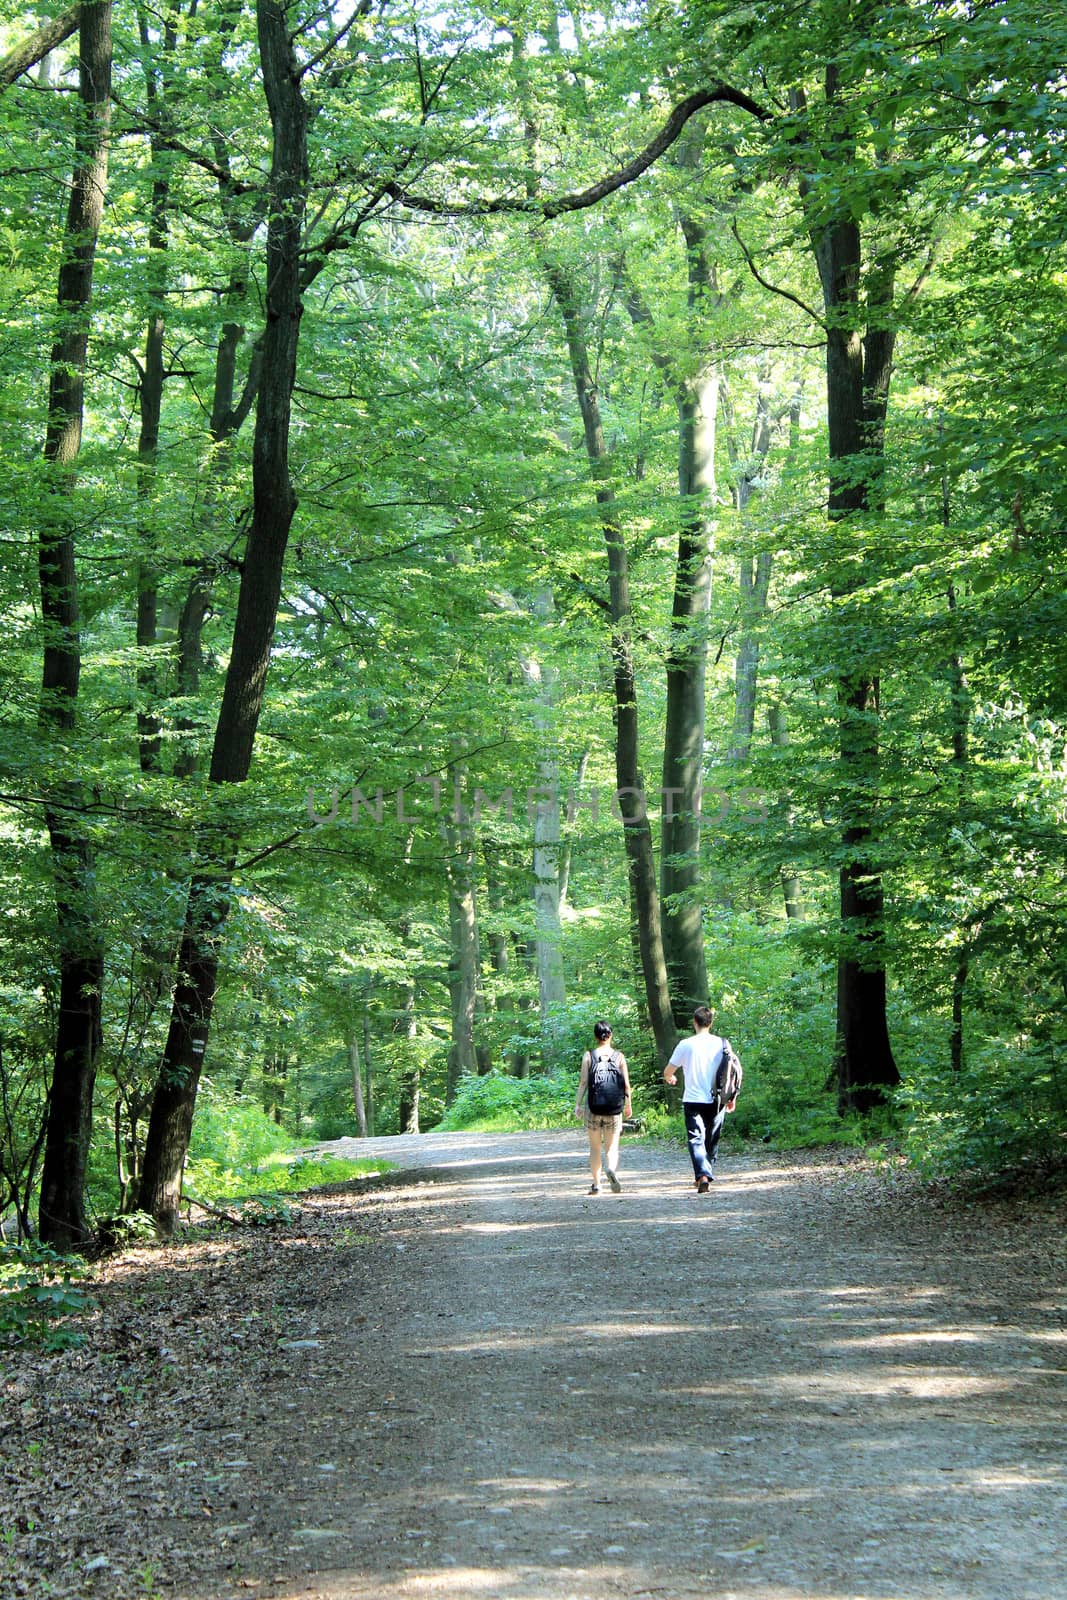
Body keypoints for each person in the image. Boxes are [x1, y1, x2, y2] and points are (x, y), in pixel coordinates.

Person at [663, 1004, 742, 1193]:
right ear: (711, 1022)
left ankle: (702, 1175)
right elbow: (732, 1073)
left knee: (695, 1139)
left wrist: (670, 1077)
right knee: (712, 1139)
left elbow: (668, 1070)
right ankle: (705, 1173)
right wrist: (732, 1097)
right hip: (717, 1099)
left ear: (694, 1022)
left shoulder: (686, 1044)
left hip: (692, 1099)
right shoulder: (723, 1044)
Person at [575, 1020, 632, 1194]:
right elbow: (626, 1085)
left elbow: (584, 1082)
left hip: (593, 1108)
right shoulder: (619, 1056)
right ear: (610, 1035)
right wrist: (628, 1105)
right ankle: (611, 1169)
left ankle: (597, 1184)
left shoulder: (588, 1056)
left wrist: (578, 1104)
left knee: (595, 1148)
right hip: (614, 1109)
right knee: (611, 1147)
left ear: (595, 1036)